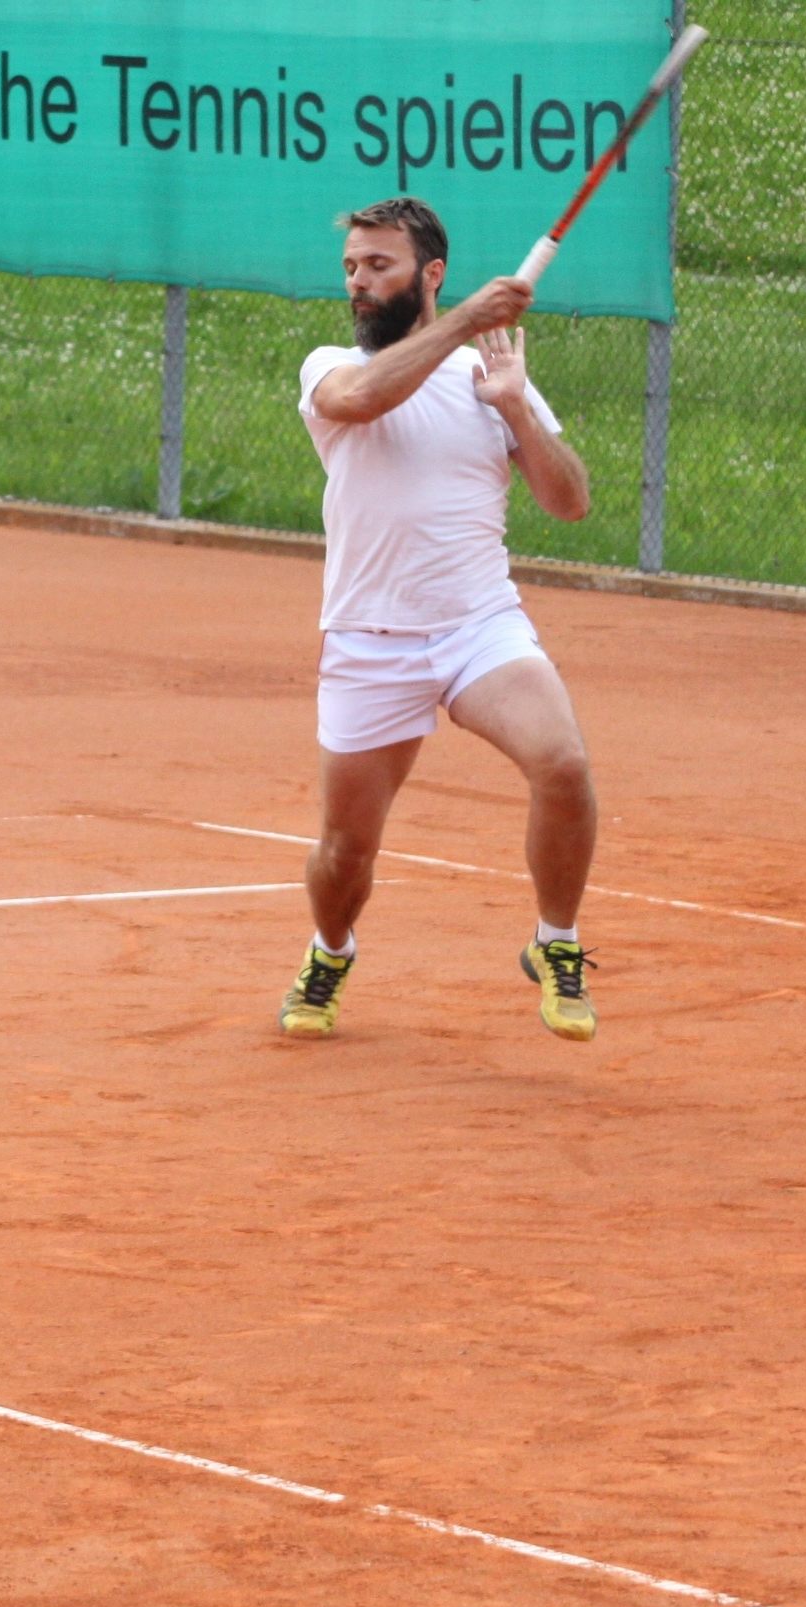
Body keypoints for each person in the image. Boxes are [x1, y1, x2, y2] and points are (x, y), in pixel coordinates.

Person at [279, 196, 601, 1042]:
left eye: (377, 265)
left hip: (478, 628)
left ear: (427, 273)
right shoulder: (327, 367)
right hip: (369, 641)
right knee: (345, 856)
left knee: (562, 763)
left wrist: (519, 409)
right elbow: (363, 401)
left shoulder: (488, 380)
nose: (358, 281)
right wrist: (463, 323)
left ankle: (555, 942)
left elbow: (570, 503)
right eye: (351, 265)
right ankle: (331, 948)